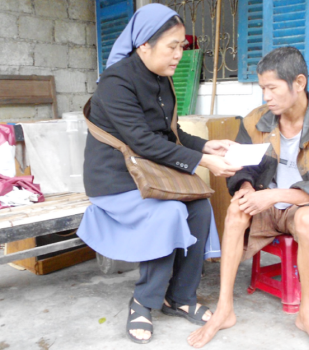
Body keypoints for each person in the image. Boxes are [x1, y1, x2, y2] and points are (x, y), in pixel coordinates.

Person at [76, 4, 241, 344]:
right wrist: (202, 164)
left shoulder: (162, 81)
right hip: (115, 179)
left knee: (199, 208)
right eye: (172, 46)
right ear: (144, 45)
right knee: (167, 213)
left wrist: (207, 147)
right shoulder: (115, 82)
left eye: (183, 45)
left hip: (149, 174)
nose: (179, 54)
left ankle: (179, 297)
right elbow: (142, 141)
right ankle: (143, 301)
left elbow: (171, 133)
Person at [188, 47, 309, 350]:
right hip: (266, 209)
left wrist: (276, 195)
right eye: (262, 89)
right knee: (235, 210)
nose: (266, 96)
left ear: (299, 83)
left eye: (272, 88)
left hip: (298, 208)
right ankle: (225, 308)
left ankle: (306, 315)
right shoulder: (257, 121)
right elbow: (240, 168)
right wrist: (245, 189)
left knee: (308, 218)